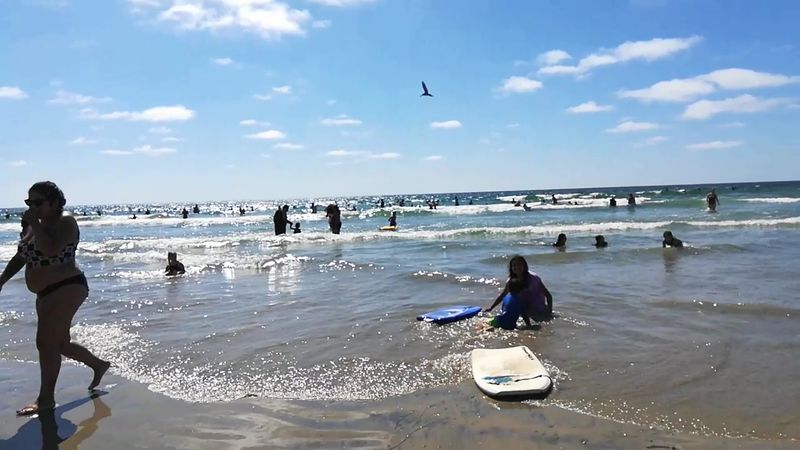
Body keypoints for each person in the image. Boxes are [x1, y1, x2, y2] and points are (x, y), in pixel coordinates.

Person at [0, 181, 110, 416]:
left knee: (45, 342)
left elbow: (51, 249)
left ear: (55, 201)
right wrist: (2, 280)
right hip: (45, 293)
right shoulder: (33, 226)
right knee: (59, 344)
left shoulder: (66, 222)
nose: (33, 207)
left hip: (67, 286)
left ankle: (46, 400)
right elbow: (22, 256)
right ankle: (99, 365)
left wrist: (35, 225)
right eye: (29, 203)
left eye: (38, 202)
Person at [484, 255, 553, 329]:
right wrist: (491, 308)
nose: (517, 267)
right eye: (514, 265)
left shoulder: (534, 279)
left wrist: (549, 312)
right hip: (524, 309)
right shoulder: (511, 281)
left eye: (519, 264)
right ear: (511, 268)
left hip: (537, 309)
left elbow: (548, 295)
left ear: (524, 266)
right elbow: (502, 295)